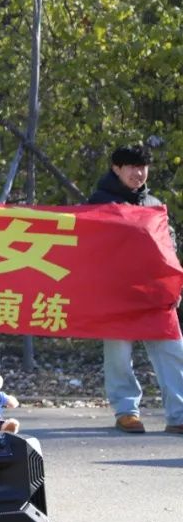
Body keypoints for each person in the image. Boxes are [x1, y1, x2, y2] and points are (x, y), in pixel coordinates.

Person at [88, 143, 183, 435]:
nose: (138, 173)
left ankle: (179, 415)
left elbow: (168, 245)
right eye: (132, 167)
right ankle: (126, 411)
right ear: (116, 168)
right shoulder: (99, 202)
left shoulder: (154, 203)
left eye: (143, 168)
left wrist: (174, 283)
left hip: (155, 291)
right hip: (116, 290)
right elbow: (88, 246)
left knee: (172, 350)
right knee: (118, 353)